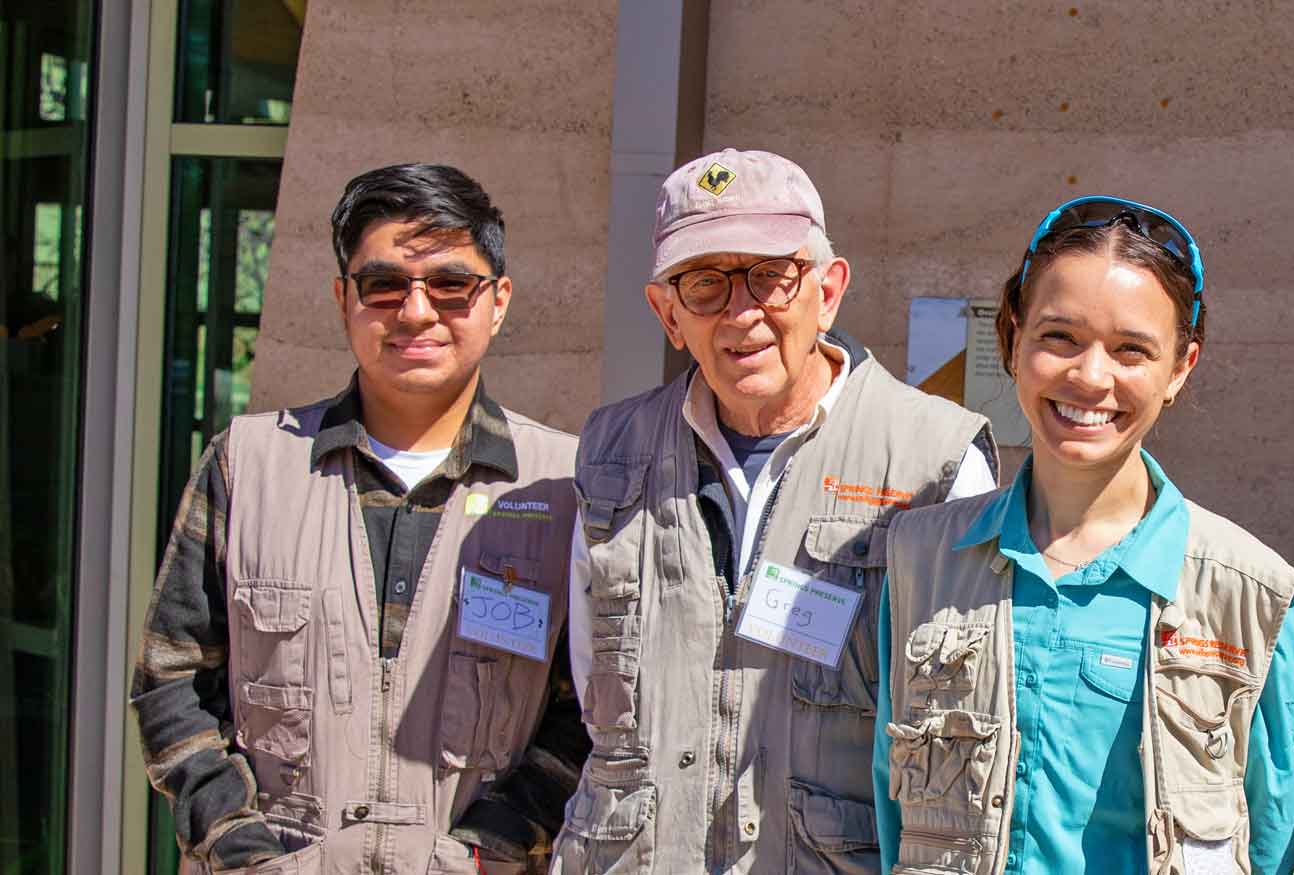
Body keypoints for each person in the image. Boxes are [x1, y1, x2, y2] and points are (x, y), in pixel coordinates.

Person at [131, 164, 584, 874]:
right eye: (384, 285)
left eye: (450, 284)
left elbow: (591, 708)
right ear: (344, 300)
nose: (415, 311)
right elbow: (172, 678)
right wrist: (238, 848)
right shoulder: (247, 466)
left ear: (497, 302)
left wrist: (489, 850)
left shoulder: (563, 488)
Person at [553, 148, 995, 874]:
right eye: (705, 283)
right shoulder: (611, 454)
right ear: (668, 313)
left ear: (828, 290)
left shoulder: (934, 463)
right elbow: (594, 696)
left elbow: (966, 743)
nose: (741, 312)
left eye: (770, 276)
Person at [873, 196, 1294, 875]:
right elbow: (890, 808)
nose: (1090, 375)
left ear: (1181, 367)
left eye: (1132, 349)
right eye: (1060, 337)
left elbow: (1275, 839)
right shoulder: (920, 561)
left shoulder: (1251, 597)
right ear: (1013, 338)